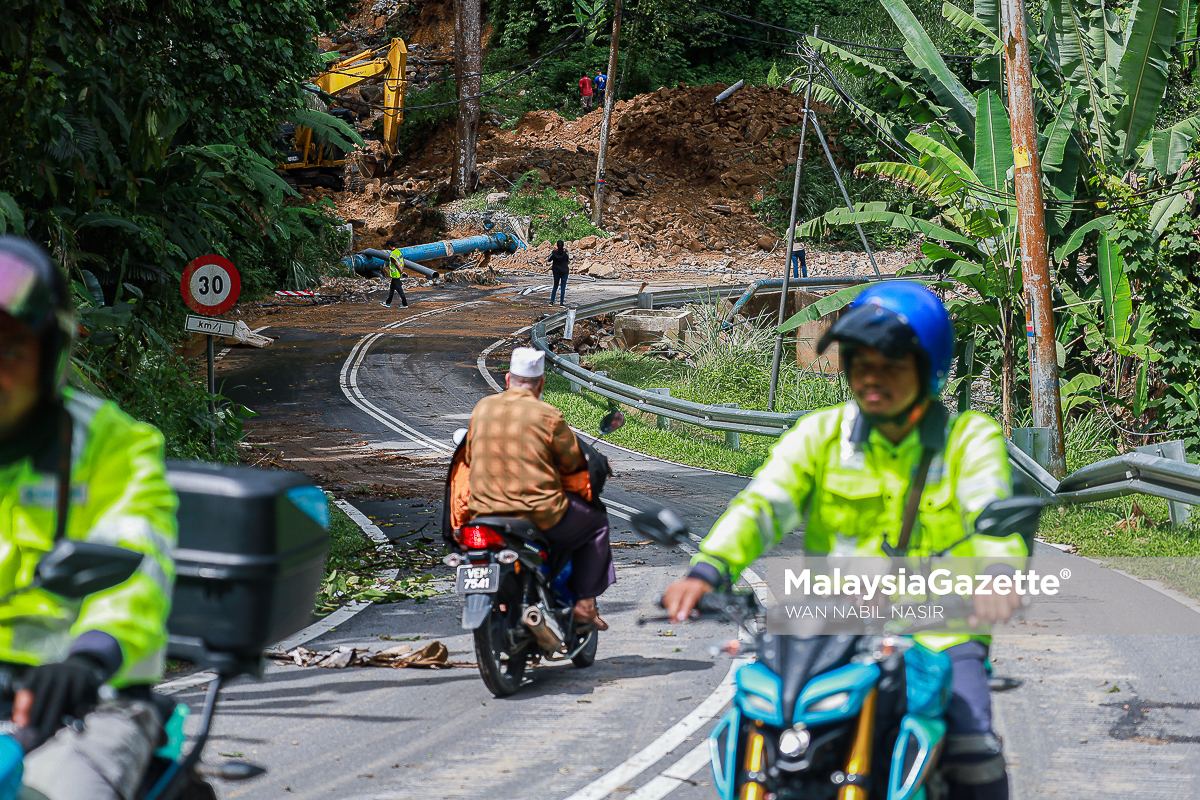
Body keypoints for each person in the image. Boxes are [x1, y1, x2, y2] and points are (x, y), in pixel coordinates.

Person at [663, 282, 1025, 800]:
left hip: (938, 630)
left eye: (891, 365)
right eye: (860, 363)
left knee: (972, 744)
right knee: (756, 728)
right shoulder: (819, 434)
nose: (871, 379)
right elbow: (764, 505)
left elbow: (994, 517)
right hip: (827, 622)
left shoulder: (969, 440)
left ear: (929, 368)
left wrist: (998, 573)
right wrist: (709, 568)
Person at [0, 237, 177, 799]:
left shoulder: (113, 446)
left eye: (11, 351)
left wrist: (88, 657)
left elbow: (136, 559)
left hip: (87, 698)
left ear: (50, 355)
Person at [464, 347, 613, 629]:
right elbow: (571, 463)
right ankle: (583, 605)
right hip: (538, 514)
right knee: (595, 524)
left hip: (482, 512)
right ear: (541, 384)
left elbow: (470, 457)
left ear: (508, 379)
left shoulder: (483, 407)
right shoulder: (548, 415)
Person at [547, 240, 570, 306]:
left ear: (557, 245)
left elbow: (549, 259)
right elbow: (568, 260)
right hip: (564, 271)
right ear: (563, 245)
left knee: (555, 286)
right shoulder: (565, 253)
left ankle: (551, 302)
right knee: (563, 287)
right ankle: (561, 303)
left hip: (556, 271)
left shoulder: (554, 252)